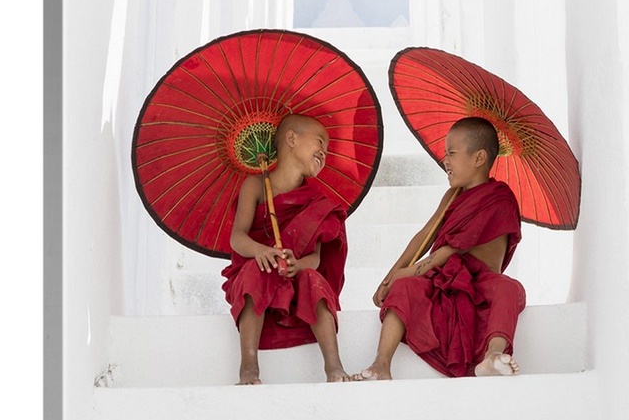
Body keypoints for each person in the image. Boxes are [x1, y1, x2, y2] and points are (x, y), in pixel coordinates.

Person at [353, 116, 525, 380]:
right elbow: (424, 236)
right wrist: (390, 277)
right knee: (403, 288)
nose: (445, 161)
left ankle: (493, 355)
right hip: (446, 280)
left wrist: (410, 271)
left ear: (479, 158)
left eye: (452, 153)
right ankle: (381, 364)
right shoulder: (452, 196)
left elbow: (454, 248)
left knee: (510, 289)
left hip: (482, 283)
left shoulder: (499, 197)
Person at [221, 114, 350, 384]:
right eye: (319, 142)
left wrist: (297, 265)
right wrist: (261, 251)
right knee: (255, 272)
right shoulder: (254, 185)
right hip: (260, 268)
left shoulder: (316, 201)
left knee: (314, 280)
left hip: (295, 274)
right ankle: (249, 369)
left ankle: (334, 367)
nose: (323, 152)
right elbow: (237, 238)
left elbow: (314, 258)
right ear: (291, 139)